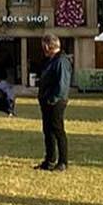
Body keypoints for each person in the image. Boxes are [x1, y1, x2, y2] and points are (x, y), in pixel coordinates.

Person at [36, 34, 72, 171]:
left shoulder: (61, 61)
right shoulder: (51, 60)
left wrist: (53, 99)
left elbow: (62, 84)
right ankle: (50, 160)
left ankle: (63, 162)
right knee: (47, 130)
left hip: (55, 101)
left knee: (58, 130)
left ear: (47, 45)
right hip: (47, 100)